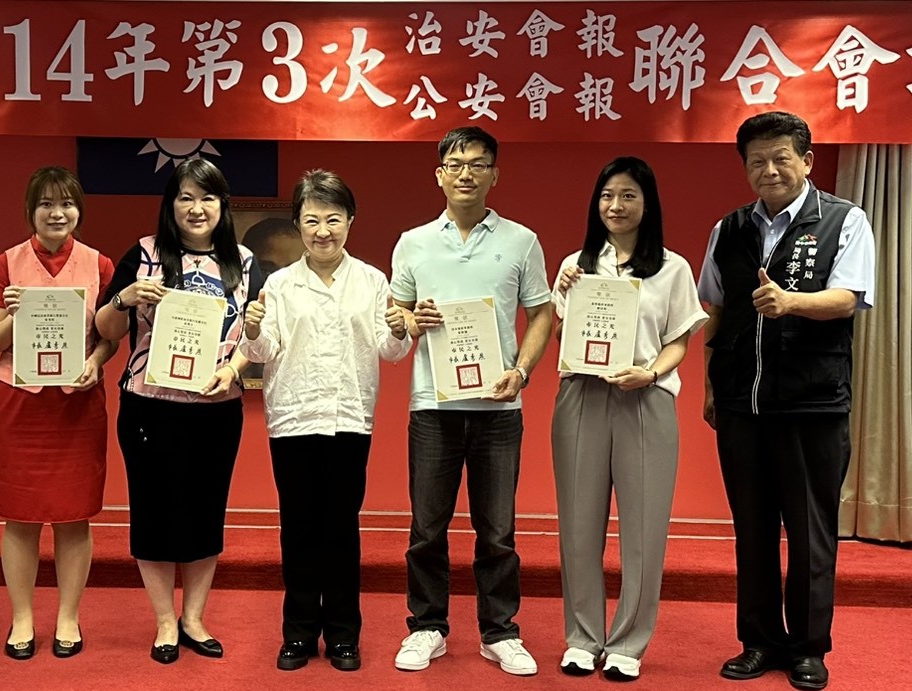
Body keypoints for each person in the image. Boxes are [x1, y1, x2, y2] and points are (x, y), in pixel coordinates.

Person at [699, 112, 875, 691]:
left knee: (809, 533)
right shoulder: (728, 229)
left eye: (780, 158)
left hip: (811, 405)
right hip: (741, 405)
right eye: (757, 161)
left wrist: (792, 302)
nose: (769, 170)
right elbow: (717, 310)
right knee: (751, 531)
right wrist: (709, 386)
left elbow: (849, 297)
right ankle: (758, 641)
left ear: (807, 160)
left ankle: (808, 648)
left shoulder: (844, 220)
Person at [389, 126, 554, 675]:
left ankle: (499, 631)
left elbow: (542, 313)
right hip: (432, 407)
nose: (466, 174)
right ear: (439, 174)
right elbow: (397, 316)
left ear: (494, 175)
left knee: (498, 530)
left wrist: (521, 371)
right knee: (427, 528)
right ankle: (427, 627)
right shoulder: (413, 242)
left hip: (499, 409)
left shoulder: (521, 240)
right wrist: (411, 318)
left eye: (478, 164)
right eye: (455, 164)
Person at [240, 170, 411, 672]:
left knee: (341, 529)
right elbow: (263, 351)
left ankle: (342, 634)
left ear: (350, 221)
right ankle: (297, 634)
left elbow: (390, 351)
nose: (322, 231)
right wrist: (253, 330)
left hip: (349, 418)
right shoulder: (279, 284)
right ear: (298, 224)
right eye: (312, 220)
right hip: (293, 418)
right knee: (298, 529)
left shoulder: (372, 280)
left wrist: (400, 329)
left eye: (333, 219)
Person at [94, 157, 261, 664]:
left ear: (222, 205)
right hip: (150, 407)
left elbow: (256, 335)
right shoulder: (144, 254)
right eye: (185, 197)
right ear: (170, 204)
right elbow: (105, 330)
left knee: (206, 511)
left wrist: (232, 370)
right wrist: (123, 298)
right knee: (153, 512)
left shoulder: (243, 262)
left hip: (216, 408)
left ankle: (194, 618)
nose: (196, 208)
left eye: (207, 198)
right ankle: (165, 620)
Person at [549, 157, 708, 681]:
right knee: (578, 525)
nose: (615, 206)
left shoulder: (672, 267)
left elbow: (679, 339)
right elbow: (562, 336)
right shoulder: (576, 264)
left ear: (647, 203)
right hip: (582, 395)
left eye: (628, 196)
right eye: (607, 196)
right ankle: (582, 637)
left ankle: (628, 644)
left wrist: (650, 372)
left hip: (645, 398)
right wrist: (566, 291)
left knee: (644, 529)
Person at [0, 166, 118, 660]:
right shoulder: (5, 264)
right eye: (46, 204)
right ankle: (21, 618)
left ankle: (67, 617)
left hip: (77, 404)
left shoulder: (100, 265)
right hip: (20, 403)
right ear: (30, 210)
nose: (57, 213)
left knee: (73, 517)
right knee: (19, 518)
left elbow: (109, 336)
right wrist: (16, 315)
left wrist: (96, 362)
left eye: (67, 204)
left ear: (79, 209)